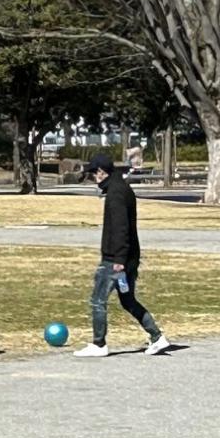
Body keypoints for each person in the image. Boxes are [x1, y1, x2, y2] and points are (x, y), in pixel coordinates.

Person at [76, 152, 173, 358]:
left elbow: (121, 229)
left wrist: (119, 260)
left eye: (93, 174)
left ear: (101, 172)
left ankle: (99, 344)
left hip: (115, 259)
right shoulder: (122, 188)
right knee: (127, 300)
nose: (93, 179)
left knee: (97, 300)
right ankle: (157, 337)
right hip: (129, 257)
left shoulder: (116, 194)